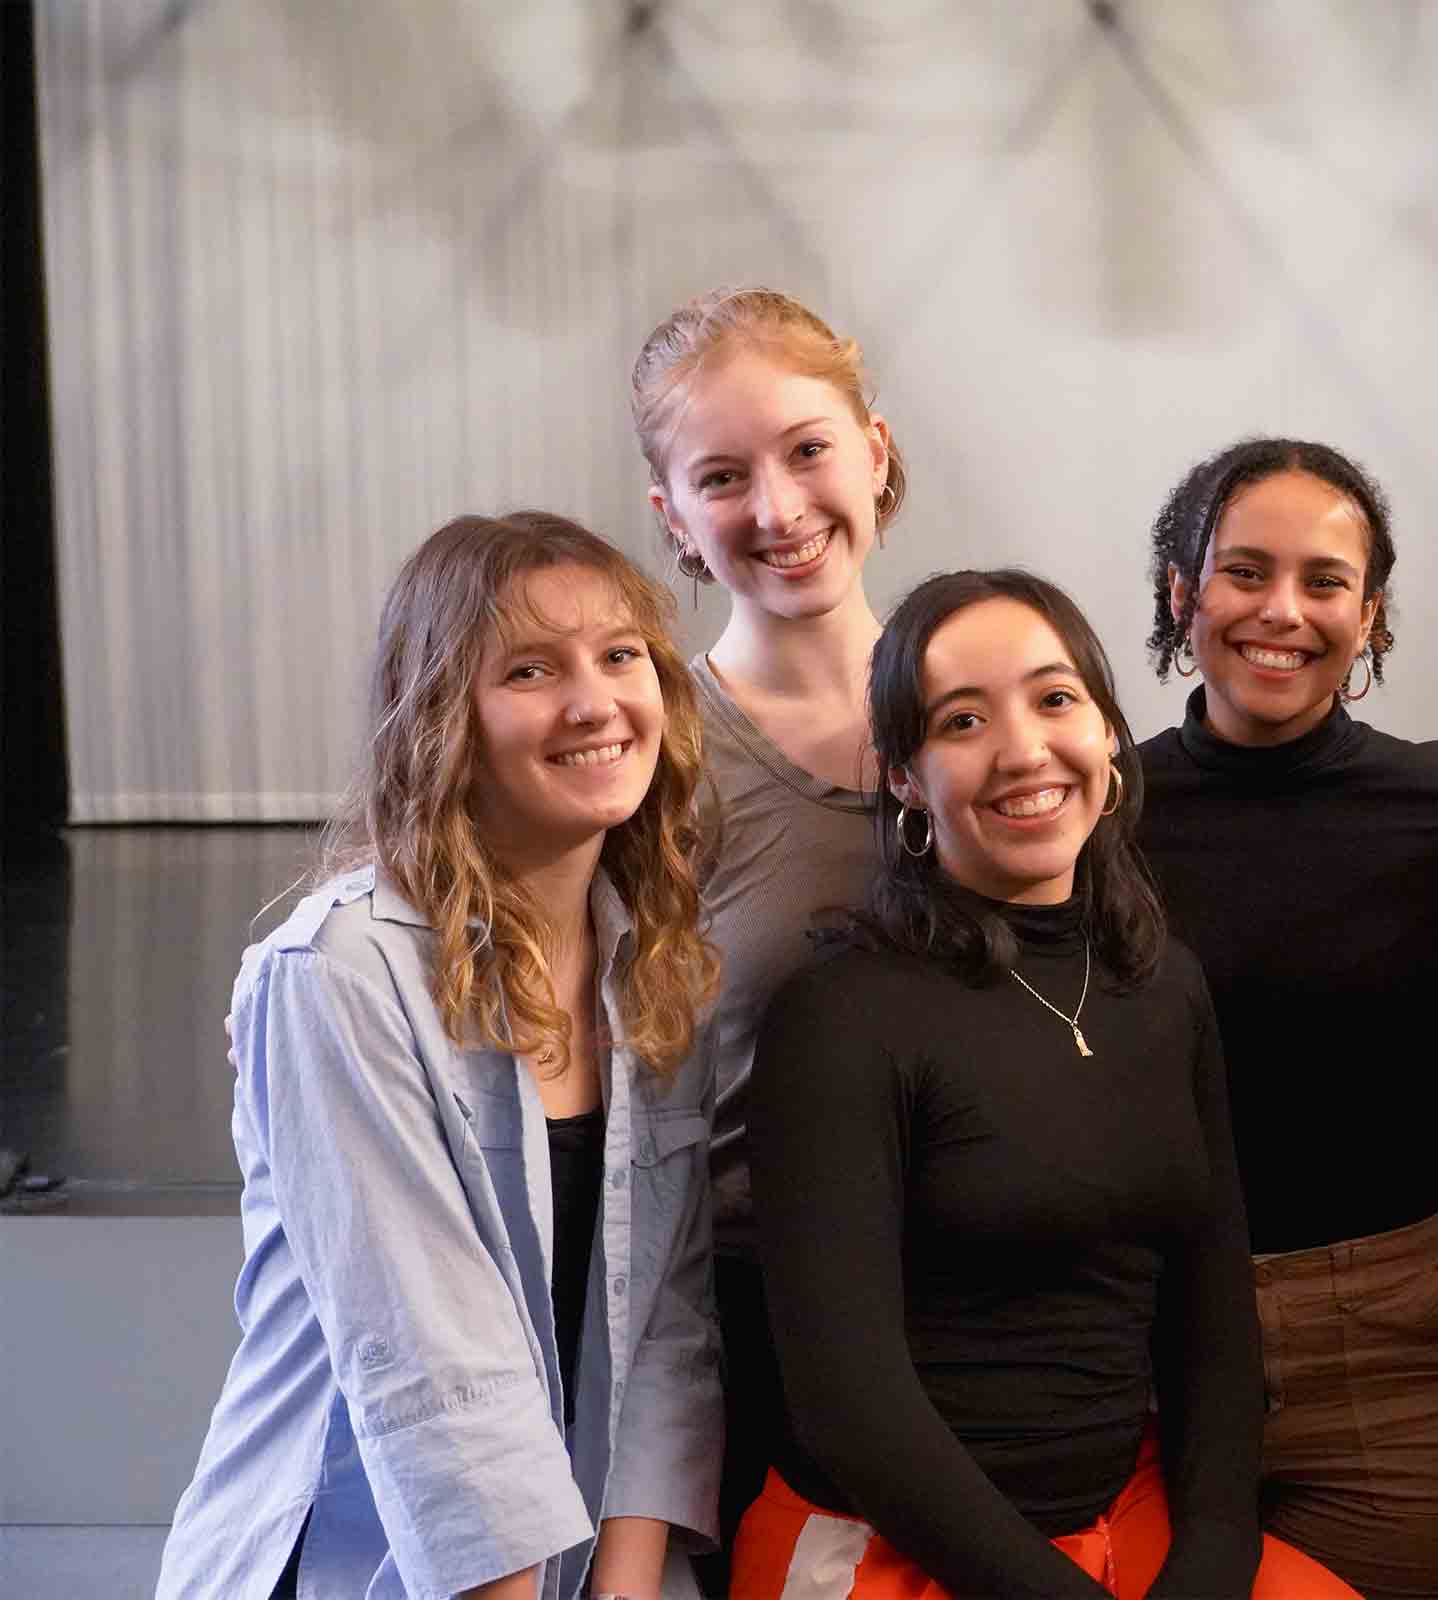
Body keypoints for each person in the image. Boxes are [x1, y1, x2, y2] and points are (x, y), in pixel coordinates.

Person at [730, 570, 1359, 1599]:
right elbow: (851, 1407)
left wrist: (1210, 1557)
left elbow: (1210, 1312)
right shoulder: (841, 1013)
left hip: (1125, 1509)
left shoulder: (1164, 984)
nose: (1024, 749)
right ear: (903, 777)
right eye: (963, 719)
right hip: (889, 1542)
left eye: (1055, 698)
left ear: (1108, 733)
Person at [157, 512, 723, 1600]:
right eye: (528, 669)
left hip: (585, 1560)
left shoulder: (661, 965)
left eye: (620, 656)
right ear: (439, 718)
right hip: (361, 1560)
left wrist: (630, 1583)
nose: (594, 701)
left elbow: (667, 1326)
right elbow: (428, 1361)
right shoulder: (332, 972)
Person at [1134, 439, 1438, 1598]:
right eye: (1244, 572)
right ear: (1180, 591)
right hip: (1145, 1348)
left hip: (1401, 1351)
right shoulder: (1097, 815)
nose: (1281, 612)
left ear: (1372, 614)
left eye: (1325, 581)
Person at [629, 286, 895, 1579]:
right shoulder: (647, 747)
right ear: (673, 517)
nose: (778, 509)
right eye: (723, 477)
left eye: (806, 449)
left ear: (876, 450)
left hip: (976, 1306)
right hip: (747, 1324)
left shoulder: (984, 704)